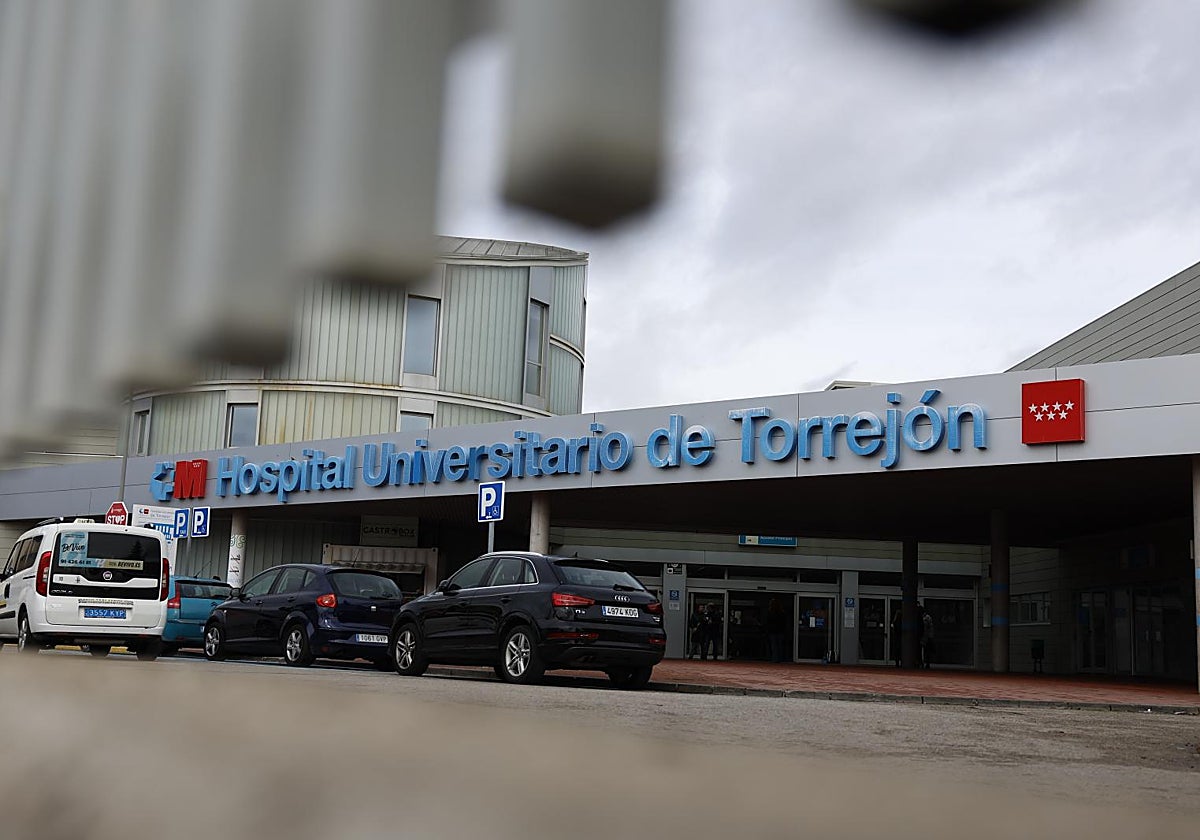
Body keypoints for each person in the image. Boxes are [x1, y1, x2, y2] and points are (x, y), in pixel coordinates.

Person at [765, 598, 787, 663]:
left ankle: (775, 659)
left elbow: (767, 622)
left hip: (773, 631)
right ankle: (780, 659)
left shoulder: (770, 612)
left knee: (774, 646)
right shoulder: (782, 612)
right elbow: (784, 623)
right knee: (779, 646)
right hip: (779, 631)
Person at [920, 603, 935, 668]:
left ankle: (926, 663)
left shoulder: (927, 618)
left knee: (926, 651)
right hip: (924, 636)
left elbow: (929, 628)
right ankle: (923, 662)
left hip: (926, 637)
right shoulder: (924, 617)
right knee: (924, 651)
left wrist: (930, 636)